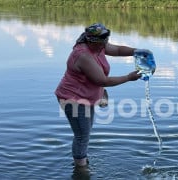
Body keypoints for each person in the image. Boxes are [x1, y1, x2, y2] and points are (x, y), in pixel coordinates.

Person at [55, 23, 149, 167]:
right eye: (102, 43)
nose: (105, 45)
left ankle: (98, 97)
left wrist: (137, 51)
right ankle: (81, 167)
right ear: (92, 41)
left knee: (85, 130)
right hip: (73, 98)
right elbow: (103, 80)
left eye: (106, 41)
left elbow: (117, 50)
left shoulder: (98, 44)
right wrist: (129, 77)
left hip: (85, 94)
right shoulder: (83, 56)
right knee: (82, 135)